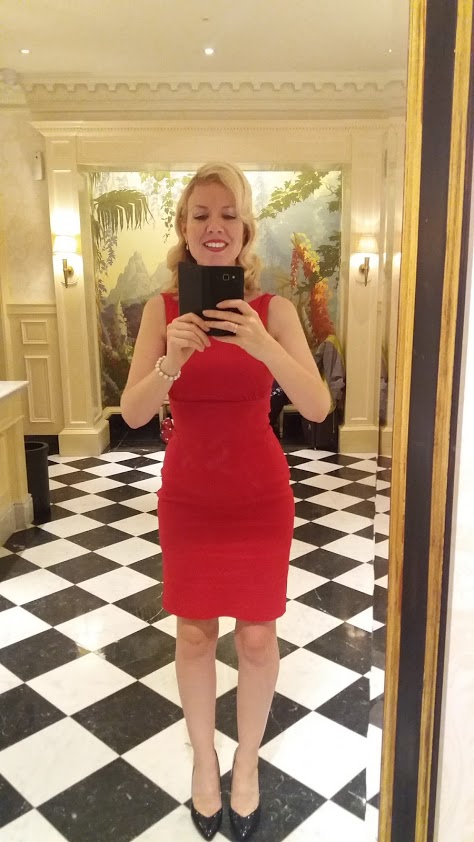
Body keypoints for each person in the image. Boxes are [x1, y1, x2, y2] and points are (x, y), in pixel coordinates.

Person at [121, 163, 330, 840]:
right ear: (184, 229)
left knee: (258, 636)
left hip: (259, 495)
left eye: (228, 214)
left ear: (246, 230)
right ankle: (204, 762)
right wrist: (171, 361)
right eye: (201, 215)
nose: (215, 227)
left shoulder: (275, 312)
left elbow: (317, 405)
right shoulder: (162, 311)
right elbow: (133, 413)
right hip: (189, 495)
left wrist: (263, 345)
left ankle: (246, 763)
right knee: (194, 633)